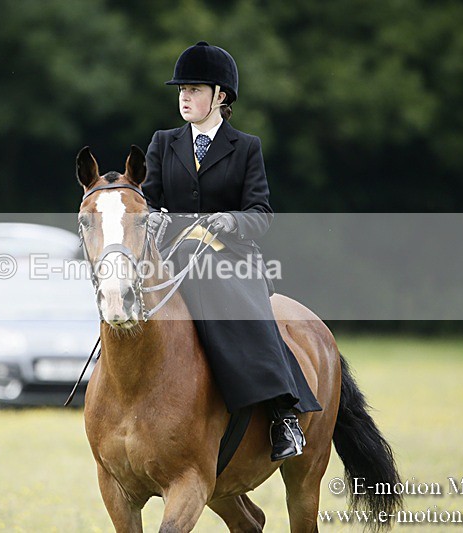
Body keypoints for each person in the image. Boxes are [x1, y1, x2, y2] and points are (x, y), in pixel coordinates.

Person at [142, 41, 321, 461]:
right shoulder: (163, 142)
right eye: (181, 89)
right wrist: (150, 217)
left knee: (242, 309)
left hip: (228, 256)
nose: (184, 96)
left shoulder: (246, 147)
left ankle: (282, 413)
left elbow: (261, 212)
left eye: (195, 88)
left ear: (221, 96)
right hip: (172, 255)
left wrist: (232, 221)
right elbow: (147, 200)